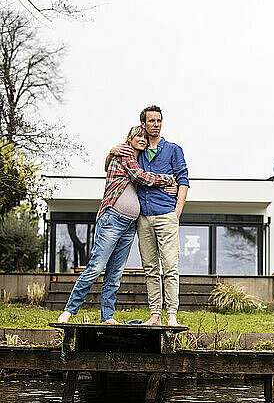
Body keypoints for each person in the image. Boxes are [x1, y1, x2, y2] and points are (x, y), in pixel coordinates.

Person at [57, 125, 175, 325]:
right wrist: (167, 179)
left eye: (145, 137)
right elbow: (140, 177)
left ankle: (107, 317)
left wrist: (169, 191)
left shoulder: (138, 160)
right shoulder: (124, 154)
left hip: (129, 225)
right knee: (95, 268)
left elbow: (141, 181)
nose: (142, 139)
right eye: (138, 136)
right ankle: (68, 312)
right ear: (129, 138)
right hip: (112, 219)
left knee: (115, 273)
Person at [111, 105, 189, 327]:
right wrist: (110, 150)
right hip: (143, 218)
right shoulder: (138, 150)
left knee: (170, 267)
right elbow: (116, 165)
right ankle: (155, 314)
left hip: (166, 216)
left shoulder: (173, 149)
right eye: (151, 121)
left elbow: (183, 180)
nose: (156, 124)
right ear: (143, 124)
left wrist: (177, 211)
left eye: (159, 120)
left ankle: (171, 315)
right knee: (150, 269)